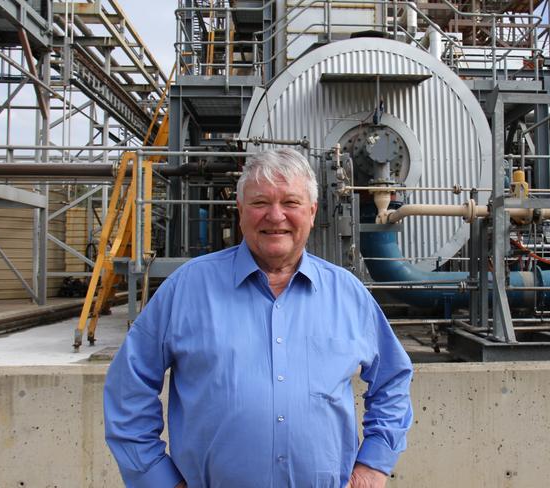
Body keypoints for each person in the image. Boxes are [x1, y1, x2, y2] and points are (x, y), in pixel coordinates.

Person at [104, 148, 413, 488]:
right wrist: (158, 480)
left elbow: (392, 379)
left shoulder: (347, 294)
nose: (275, 215)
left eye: (291, 203)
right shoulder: (187, 288)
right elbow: (127, 388)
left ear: (312, 212)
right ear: (240, 211)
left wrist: (373, 464)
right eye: (260, 202)